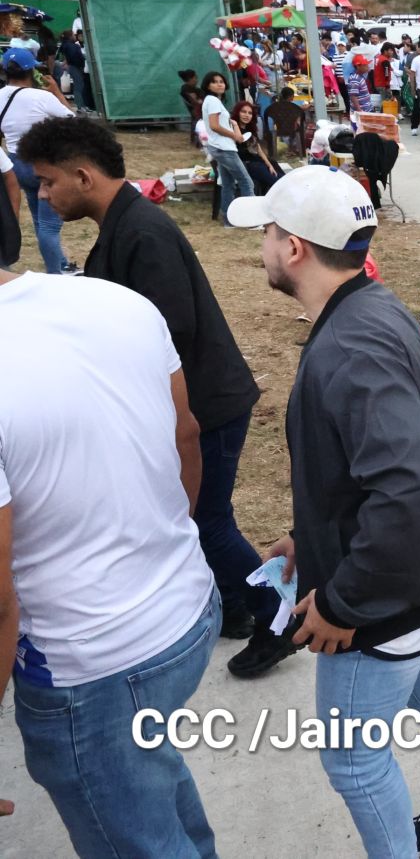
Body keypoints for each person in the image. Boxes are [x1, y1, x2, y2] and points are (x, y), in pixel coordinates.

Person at [227, 168, 420, 857]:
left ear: (294, 248)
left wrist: (341, 603)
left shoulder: (349, 344)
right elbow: (372, 461)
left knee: (354, 760)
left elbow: (409, 487)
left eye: (268, 232)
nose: (263, 245)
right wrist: (308, 534)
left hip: (385, 596)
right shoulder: (371, 305)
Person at [16, 115, 296, 678]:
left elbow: (171, 328)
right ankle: (237, 606)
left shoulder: (141, 232)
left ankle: (277, 620)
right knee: (203, 517)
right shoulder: (122, 224)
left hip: (204, 406)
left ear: (83, 176)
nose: (42, 195)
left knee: (206, 521)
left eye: (47, 182)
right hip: (189, 404)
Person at [0, 262, 222, 856]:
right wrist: (164, 542)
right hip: (187, 608)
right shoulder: (116, 302)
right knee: (152, 779)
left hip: (89, 666)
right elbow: (186, 434)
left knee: (134, 829)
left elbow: (0, 604)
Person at [1, 46, 75, 273]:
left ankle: (60, 262)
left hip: (16, 164)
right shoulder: (43, 97)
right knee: (50, 226)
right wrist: (57, 93)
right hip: (44, 164)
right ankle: (55, 274)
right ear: (31, 71)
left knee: (39, 219)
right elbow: (74, 123)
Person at [197, 70, 255, 220]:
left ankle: (228, 219)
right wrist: (234, 135)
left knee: (228, 184)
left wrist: (233, 125)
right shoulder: (213, 101)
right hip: (223, 148)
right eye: (214, 82)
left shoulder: (212, 101)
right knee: (246, 182)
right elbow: (214, 126)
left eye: (221, 81)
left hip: (220, 147)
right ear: (208, 85)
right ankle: (250, 218)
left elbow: (217, 124)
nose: (219, 84)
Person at [231, 100, 283, 195]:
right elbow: (239, 139)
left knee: (279, 173)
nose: (247, 115)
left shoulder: (250, 128)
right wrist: (235, 125)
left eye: (250, 113)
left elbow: (258, 148)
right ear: (237, 112)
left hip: (256, 160)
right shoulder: (232, 128)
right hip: (247, 163)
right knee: (276, 181)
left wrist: (269, 164)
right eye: (243, 112)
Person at [179, 69, 204, 146]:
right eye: (195, 77)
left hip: (198, 109)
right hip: (197, 110)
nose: (197, 80)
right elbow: (196, 101)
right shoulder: (186, 88)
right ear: (190, 79)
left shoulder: (195, 89)